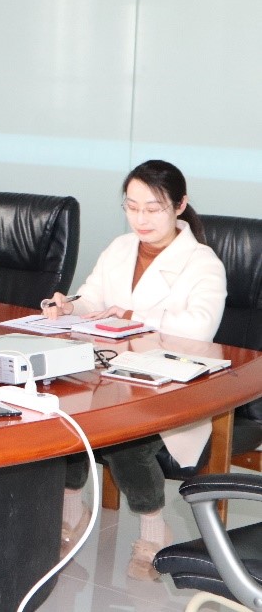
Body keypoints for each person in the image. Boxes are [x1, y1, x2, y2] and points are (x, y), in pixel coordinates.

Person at [43, 160, 226, 580]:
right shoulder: (120, 248)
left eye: (153, 208)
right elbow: (94, 299)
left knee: (126, 435)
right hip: (111, 375)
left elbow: (199, 328)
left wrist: (131, 315)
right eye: (132, 207)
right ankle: (71, 511)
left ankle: (153, 530)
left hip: (173, 385)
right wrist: (71, 306)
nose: (140, 219)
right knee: (62, 410)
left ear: (179, 205)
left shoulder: (202, 262)